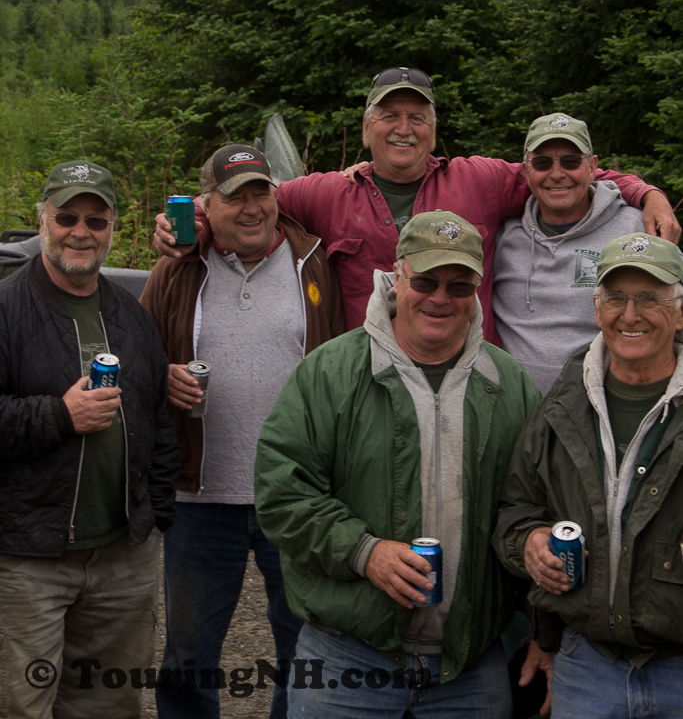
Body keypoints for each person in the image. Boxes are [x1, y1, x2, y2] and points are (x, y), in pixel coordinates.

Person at [254, 210, 550, 718]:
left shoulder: (509, 383)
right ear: (397, 275)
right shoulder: (329, 372)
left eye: (459, 285)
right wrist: (364, 552)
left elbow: (534, 512)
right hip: (345, 660)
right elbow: (282, 492)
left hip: (470, 667)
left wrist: (545, 629)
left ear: (477, 289)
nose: (440, 297)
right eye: (426, 281)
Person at [152, 68, 680, 342]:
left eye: (417, 117)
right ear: (366, 130)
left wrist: (646, 193)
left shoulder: (481, 180)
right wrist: (191, 225)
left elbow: (562, 174)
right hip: (366, 381)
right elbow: (246, 200)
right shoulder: (324, 193)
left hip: (468, 374)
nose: (403, 128)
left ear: (433, 130)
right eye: (389, 116)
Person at [139, 144, 345, 719]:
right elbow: (135, 355)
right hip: (199, 499)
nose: (252, 208)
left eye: (261, 193)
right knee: (188, 656)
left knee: (303, 650)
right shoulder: (177, 267)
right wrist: (162, 375)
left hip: (297, 495)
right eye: (235, 198)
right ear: (206, 205)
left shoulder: (316, 262)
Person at [0, 159, 179, 719]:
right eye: (67, 217)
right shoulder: (5, 308)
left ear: (112, 229)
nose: (81, 232)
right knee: (23, 705)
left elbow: (158, 420)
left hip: (122, 555)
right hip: (27, 556)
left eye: (96, 221)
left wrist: (155, 517)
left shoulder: (133, 315)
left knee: (109, 705)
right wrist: (59, 414)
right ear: (42, 220)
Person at [494, 232, 683, 719]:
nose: (630, 314)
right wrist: (530, 542)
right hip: (586, 665)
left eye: (650, 298)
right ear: (597, 310)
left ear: (680, 312)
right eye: (615, 298)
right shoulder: (561, 406)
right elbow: (515, 509)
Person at [493, 113, 646, 393]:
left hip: (602, 404)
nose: (557, 174)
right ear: (526, 170)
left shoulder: (636, 231)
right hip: (515, 406)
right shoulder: (503, 235)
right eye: (542, 162)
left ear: (592, 166)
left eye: (571, 161)